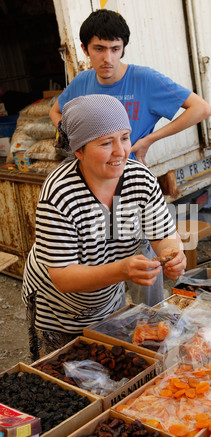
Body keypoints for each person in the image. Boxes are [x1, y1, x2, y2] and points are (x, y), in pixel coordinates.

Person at [49, 9, 211, 305]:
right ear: (85, 49)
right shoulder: (82, 83)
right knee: (96, 262)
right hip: (90, 187)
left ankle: (148, 320)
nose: (107, 58)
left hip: (127, 191)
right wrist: (73, 143)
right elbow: (56, 111)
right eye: (99, 49)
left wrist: (148, 139)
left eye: (115, 49)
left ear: (124, 47)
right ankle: (103, 314)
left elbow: (201, 109)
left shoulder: (144, 79)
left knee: (140, 262)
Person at [22, 94, 186, 361]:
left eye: (124, 137)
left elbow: (165, 235)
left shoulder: (139, 179)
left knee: (110, 370)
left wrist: (174, 254)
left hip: (108, 302)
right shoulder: (60, 193)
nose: (120, 151)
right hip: (57, 311)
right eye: (106, 143)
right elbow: (63, 277)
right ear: (78, 150)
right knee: (68, 381)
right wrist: (122, 270)